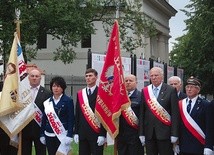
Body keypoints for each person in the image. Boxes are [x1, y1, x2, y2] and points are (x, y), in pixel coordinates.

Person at [139, 67, 180, 155]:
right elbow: (142, 113)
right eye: (152, 76)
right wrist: (141, 133)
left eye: (156, 75)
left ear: (162, 77)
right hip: (149, 133)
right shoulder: (145, 91)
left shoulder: (171, 90)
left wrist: (174, 134)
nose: (153, 78)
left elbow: (175, 114)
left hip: (165, 133)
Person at [74, 68, 106, 155]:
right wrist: (76, 132)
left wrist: (102, 134)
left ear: (96, 77)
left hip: (96, 132)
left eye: (90, 76)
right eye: (86, 76)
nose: (88, 78)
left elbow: (104, 115)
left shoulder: (102, 93)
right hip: (83, 133)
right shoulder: (80, 94)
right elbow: (78, 114)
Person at [178, 76, 213, 155]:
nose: (189, 89)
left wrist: (208, 146)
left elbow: (209, 127)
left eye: (192, 87)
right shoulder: (180, 104)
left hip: (198, 146)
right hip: (183, 145)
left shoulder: (206, 105)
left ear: (198, 89)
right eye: (187, 87)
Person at [40, 76, 74, 155]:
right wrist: (42, 134)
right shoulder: (47, 102)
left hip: (62, 134)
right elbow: (44, 119)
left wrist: (69, 135)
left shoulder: (68, 100)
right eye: (54, 86)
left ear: (62, 88)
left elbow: (71, 119)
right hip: (49, 134)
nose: (56, 88)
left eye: (58, 86)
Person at [21, 68, 51, 155]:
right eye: (32, 76)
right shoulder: (23, 92)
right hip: (25, 129)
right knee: (24, 152)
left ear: (40, 78)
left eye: (37, 76)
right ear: (28, 78)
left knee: (41, 152)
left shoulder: (47, 93)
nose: (34, 78)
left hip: (40, 130)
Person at [117, 74, 144, 155]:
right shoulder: (119, 97)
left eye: (131, 81)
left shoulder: (141, 96)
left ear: (136, 82)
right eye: (126, 81)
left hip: (135, 135)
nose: (128, 82)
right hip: (121, 135)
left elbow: (143, 116)